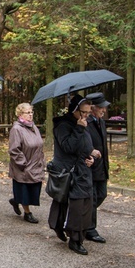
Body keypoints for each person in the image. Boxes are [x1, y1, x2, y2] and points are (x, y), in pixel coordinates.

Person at [47, 95, 95, 255]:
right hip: (69, 171)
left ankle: (74, 235)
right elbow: (68, 146)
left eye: (89, 112)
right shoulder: (63, 125)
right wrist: (80, 128)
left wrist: (92, 156)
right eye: (83, 112)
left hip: (83, 169)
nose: (86, 115)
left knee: (84, 203)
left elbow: (85, 145)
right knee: (72, 204)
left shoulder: (82, 123)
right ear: (74, 110)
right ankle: (74, 239)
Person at [8, 102, 45, 224]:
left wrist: (41, 161)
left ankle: (16, 200)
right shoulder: (16, 129)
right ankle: (27, 213)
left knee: (33, 190)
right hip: (23, 167)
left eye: (31, 112)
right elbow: (14, 150)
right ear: (20, 114)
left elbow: (39, 144)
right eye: (27, 112)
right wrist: (23, 164)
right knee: (25, 191)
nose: (30, 115)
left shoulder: (33, 127)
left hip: (35, 164)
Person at [84, 92, 110, 243]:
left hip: (102, 167)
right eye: (101, 107)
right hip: (90, 166)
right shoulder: (87, 123)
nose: (104, 110)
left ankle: (84, 214)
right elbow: (84, 144)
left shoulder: (101, 122)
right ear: (93, 108)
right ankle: (90, 229)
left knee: (102, 194)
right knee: (92, 198)